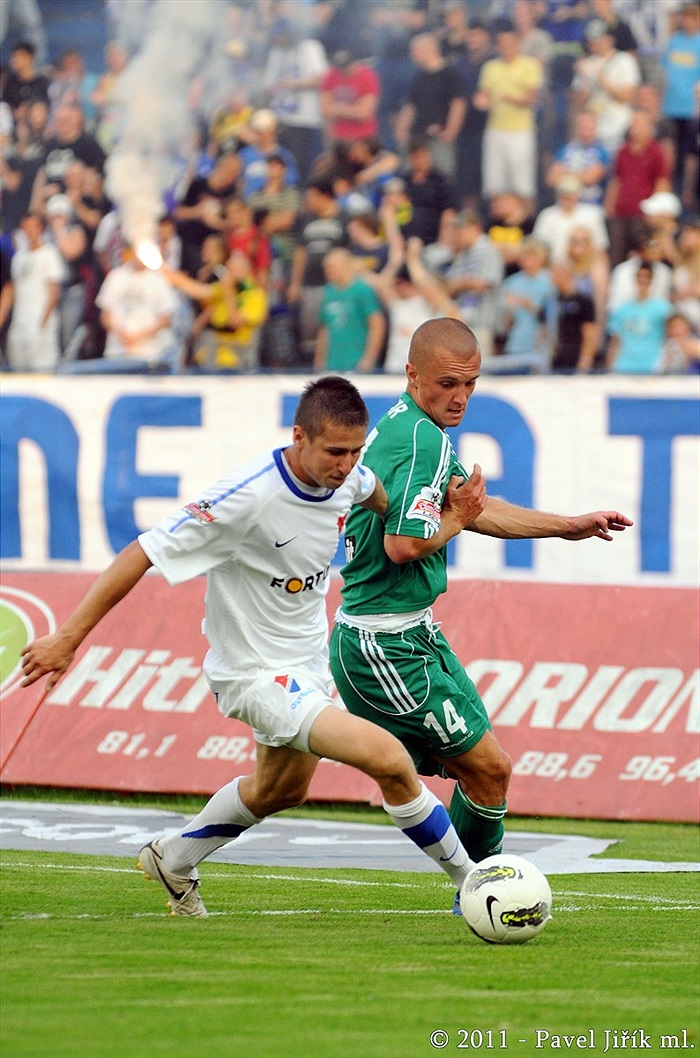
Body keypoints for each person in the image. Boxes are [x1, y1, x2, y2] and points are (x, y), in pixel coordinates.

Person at [20, 376, 476, 917]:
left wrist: (424, 518)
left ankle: (174, 857)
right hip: (253, 673)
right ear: (299, 435)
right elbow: (141, 552)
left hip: (305, 662)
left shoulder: (349, 477)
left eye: (355, 451)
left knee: (279, 790)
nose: (346, 463)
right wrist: (69, 638)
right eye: (334, 451)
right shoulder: (246, 496)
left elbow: (375, 494)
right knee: (389, 760)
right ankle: (475, 881)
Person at [328, 317, 633, 910]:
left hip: (414, 634)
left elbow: (474, 509)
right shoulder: (421, 441)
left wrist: (567, 526)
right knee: (488, 768)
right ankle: (484, 894)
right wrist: (462, 518)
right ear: (412, 374)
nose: (461, 397)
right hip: (382, 644)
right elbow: (405, 544)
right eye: (448, 383)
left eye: (470, 383)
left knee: (487, 773)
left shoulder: (414, 428)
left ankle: (479, 892)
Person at [474, 20, 543, 215]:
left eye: (510, 44)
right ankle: (498, 227)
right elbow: (484, 96)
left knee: (523, 185)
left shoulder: (529, 65)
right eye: (502, 44)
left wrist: (507, 96)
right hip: (495, 130)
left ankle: (528, 226)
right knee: (494, 185)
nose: (506, 48)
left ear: (517, 43)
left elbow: (531, 98)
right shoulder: (490, 68)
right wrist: (481, 102)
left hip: (520, 131)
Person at [314, 248, 385, 373]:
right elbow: (324, 329)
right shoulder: (328, 292)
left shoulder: (362, 290)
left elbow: (377, 324)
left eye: (332, 267)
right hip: (331, 365)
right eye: (326, 267)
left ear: (346, 265)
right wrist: (319, 361)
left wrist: (368, 359)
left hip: (355, 363)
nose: (328, 271)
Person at [606, 262, 673, 374]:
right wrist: (609, 368)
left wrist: (665, 364)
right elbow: (615, 341)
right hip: (624, 366)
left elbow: (670, 339)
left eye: (647, 276)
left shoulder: (663, 309)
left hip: (652, 365)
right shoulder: (622, 310)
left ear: (652, 280)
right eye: (640, 276)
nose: (643, 280)